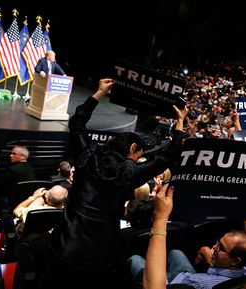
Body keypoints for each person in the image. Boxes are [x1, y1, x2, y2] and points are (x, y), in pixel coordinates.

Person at [39, 78, 188, 289]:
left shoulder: (87, 156)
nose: (136, 160)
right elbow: (168, 157)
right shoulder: (130, 173)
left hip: (64, 246)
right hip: (99, 257)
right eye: (138, 155)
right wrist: (180, 122)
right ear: (133, 147)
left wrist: (99, 92)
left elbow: (77, 123)